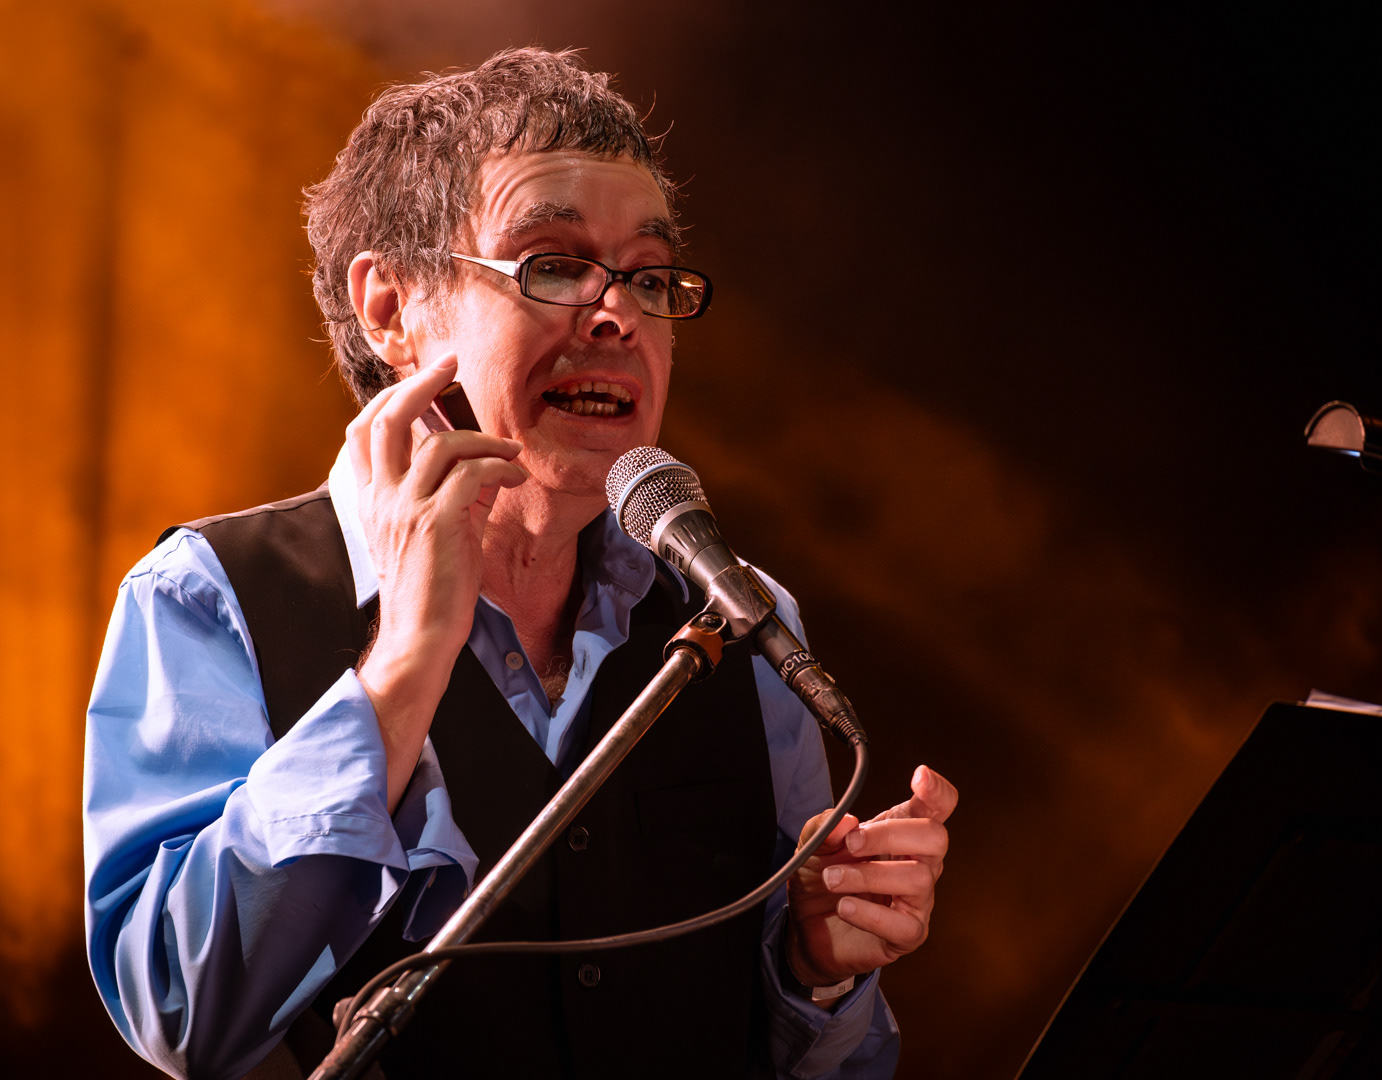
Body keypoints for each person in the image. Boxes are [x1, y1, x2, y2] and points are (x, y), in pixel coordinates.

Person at [84, 48, 956, 1080]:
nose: (616, 313)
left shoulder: (744, 616)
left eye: (647, 275)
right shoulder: (209, 598)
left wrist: (817, 970)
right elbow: (181, 1013)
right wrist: (402, 667)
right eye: (551, 264)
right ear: (391, 308)